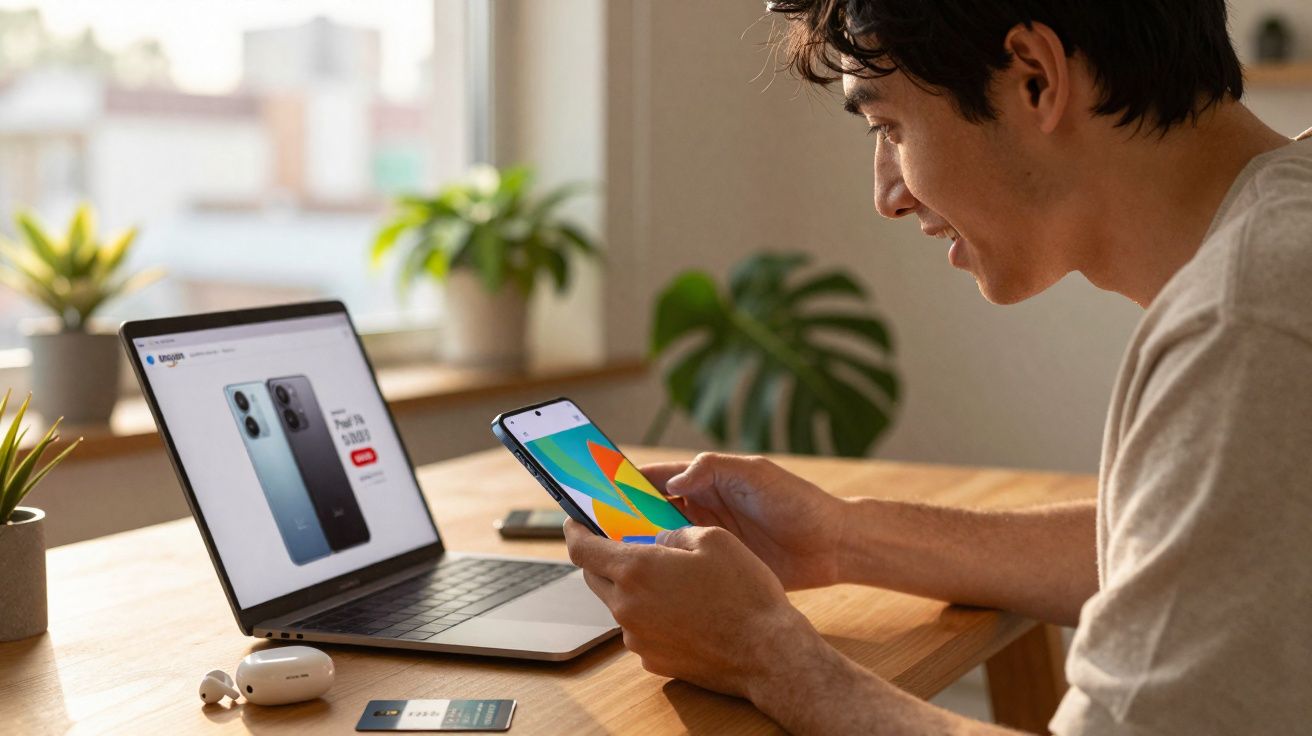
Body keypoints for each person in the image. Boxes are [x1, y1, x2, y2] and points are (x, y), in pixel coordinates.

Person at [565, 1, 1312, 733]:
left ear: (1035, 79)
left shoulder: (1247, 323)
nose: (887, 194)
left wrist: (766, 656)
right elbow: (1198, 553)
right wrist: (838, 536)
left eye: (890, 126)